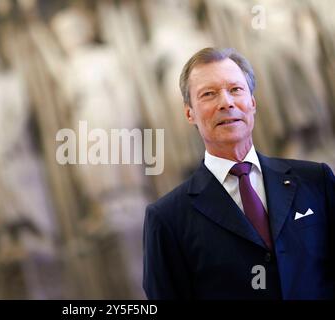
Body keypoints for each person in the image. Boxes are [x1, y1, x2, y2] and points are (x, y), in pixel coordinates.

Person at [143, 47, 335, 300]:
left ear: (252, 103)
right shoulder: (167, 219)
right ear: (189, 113)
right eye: (209, 94)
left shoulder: (315, 180)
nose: (226, 102)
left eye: (235, 90)